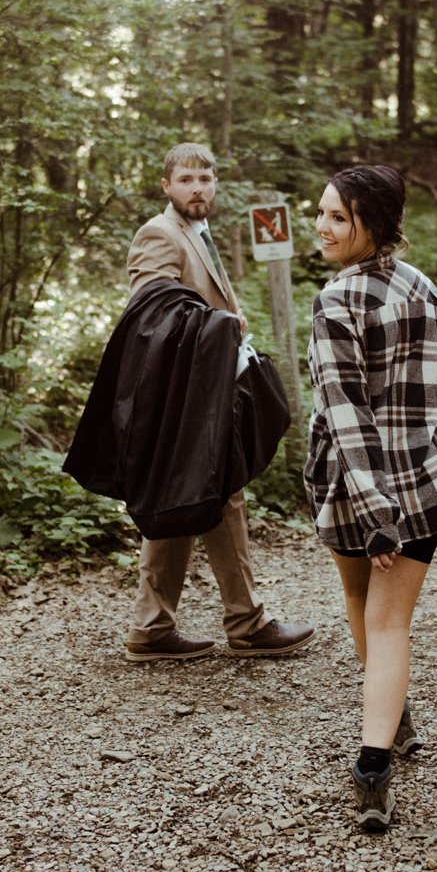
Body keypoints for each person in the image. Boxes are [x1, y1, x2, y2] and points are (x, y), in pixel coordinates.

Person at [303, 164, 437, 832]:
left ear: (375, 224)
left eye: (340, 217)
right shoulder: (423, 288)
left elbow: (346, 417)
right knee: (387, 618)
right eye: (322, 213)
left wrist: (375, 517)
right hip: (425, 484)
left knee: (372, 612)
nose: (323, 226)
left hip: (358, 496)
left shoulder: (336, 301)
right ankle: (391, 719)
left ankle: (373, 769)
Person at [120, 142, 315, 663]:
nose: (198, 188)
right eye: (186, 180)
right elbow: (151, 317)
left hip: (207, 390)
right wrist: (221, 324)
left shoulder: (198, 232)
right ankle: (239, 623)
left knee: (202, 494)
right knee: (197, 494)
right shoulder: (158, 234)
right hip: (181, 397)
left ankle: (162, 627)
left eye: (205, 179)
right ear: (167, 186)